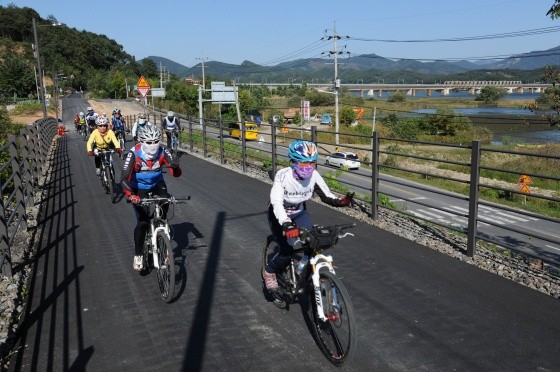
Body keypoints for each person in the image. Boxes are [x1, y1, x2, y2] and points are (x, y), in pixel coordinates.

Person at [263, 139, 354, 291]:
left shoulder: (314, 176)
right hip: (279, 215)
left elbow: (326, 196)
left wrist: (342, 202)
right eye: (304, 163)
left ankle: (302, 269)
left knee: (314, 244)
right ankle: (269, 271)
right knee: (287, 251)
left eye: (312, 163)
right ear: (293, 162)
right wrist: (286, 222)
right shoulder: (283, 176)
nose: (309, 167)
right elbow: (276, 202)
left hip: (299, 213)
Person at [121, 125, 182, 271]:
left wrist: (175, 165)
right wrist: (131, 195)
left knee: (164, 205)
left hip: (157, 184)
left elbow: (176, 174)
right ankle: (138, 254)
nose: (153, 145)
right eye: (148, 142)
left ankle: (162, 236)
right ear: (141, 142)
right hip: (138, 188)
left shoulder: (162, 150)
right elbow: (123, 178)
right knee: (142, 223)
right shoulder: (134, 153)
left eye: (156, 141)